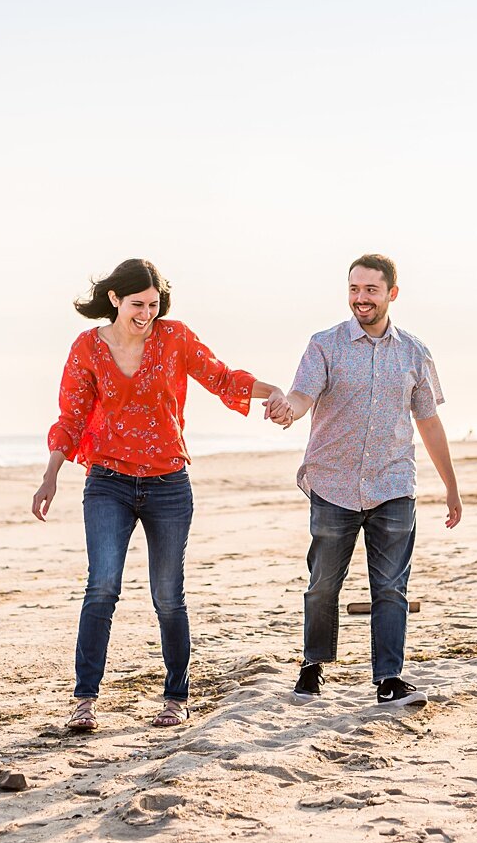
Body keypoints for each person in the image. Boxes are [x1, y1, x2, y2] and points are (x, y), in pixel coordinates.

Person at [32, 259, 289, 731]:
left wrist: (276, 392)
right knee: (102, 588)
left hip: (169, 484)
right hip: (107, 481)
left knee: (168, 595)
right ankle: (84, 700)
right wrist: (50, 475)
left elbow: (222, 378)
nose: (146, 313)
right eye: (137, 304)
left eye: (153, 304)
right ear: (114, 299)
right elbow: (71, 417)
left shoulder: (174, 338)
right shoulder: (87, 347)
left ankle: (176, 698)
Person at [266, 253, 462, 708]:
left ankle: (389, 679)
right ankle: (313, 667)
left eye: (371, 290)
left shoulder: (414, 352)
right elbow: (301, 395)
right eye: (354, 289)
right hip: (332, 484)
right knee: (322, 584)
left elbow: (429, 423)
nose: (361, 299)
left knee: (391, 586)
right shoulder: (324, 345)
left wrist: (451, 486)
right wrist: (287, 411)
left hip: (393, 484)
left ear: (391, 293)